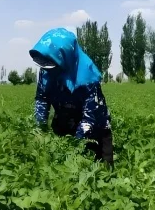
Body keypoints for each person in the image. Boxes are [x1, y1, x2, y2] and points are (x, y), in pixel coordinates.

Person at [29, 28, 114, 166]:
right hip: (64, 122)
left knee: (101, 169)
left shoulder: (88, 77)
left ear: (64, 58)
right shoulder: (47, 71)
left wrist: (74, 147)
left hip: (94, 130)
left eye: (52, 65)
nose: (47, 70)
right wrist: (40, 130)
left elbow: (89, 119)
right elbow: (42, 99)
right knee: (61, 169)